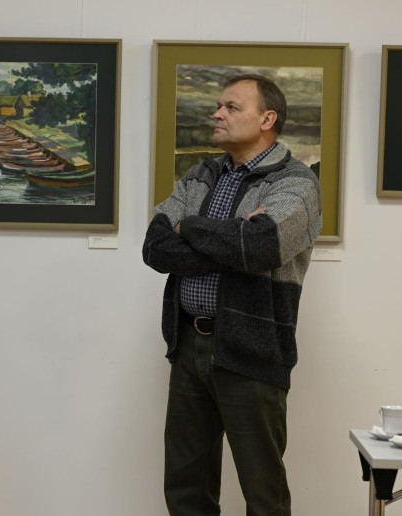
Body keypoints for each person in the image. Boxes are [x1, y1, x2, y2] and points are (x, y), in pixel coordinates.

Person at [142, 74, 322, 515]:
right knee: (186, 489)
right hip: (188, 346)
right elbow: (156, 247)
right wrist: (235, 236)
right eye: (218, 106)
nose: (217, 114)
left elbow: (260, 247)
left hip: (254, 349)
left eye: (231, 107)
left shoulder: (296, 182)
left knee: (263, 495)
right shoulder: (200, 174)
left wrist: (189, 226)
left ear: (267, 118)